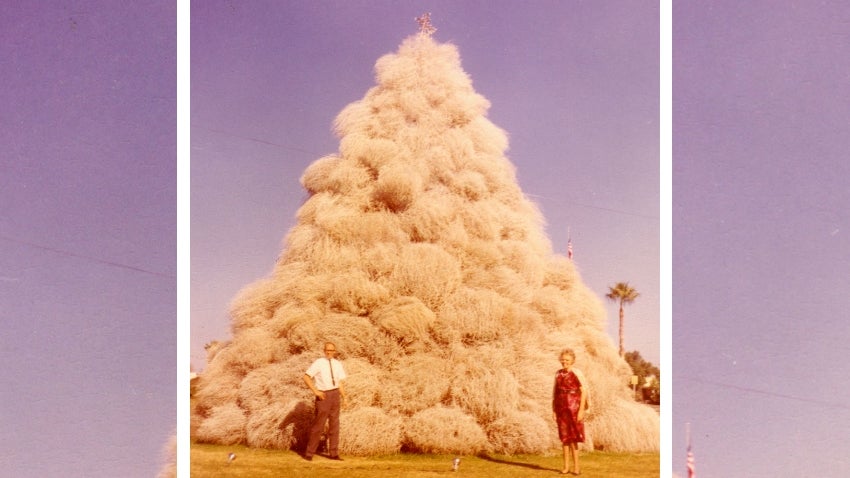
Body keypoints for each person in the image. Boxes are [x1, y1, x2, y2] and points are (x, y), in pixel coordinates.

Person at [302, 341, 348, 461]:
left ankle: (334, 453)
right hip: (323, 396)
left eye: (332, 350)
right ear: (324, 350)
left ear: (335, 351)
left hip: (335, 395)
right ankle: (309, 453)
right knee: (318, 425)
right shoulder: (319, 363)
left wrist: (344, 397)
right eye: (327, 350)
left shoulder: (338, 364)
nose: (329, 352)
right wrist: (316, 392)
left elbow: (340, 382)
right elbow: (306, 377)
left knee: (335, 425)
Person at [552, 348, 588, 475]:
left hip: (574, 409)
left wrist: (581, 410)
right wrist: (554, 410)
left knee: (573, 439)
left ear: (572, 361)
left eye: (567, 360)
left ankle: (577, 467)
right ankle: (566, 467)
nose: (564, 362)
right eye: (562, 359)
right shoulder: (558, 374)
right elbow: (555, 393)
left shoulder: (577, 373)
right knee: (564, 439)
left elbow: (584, 391)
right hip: (562, 409)